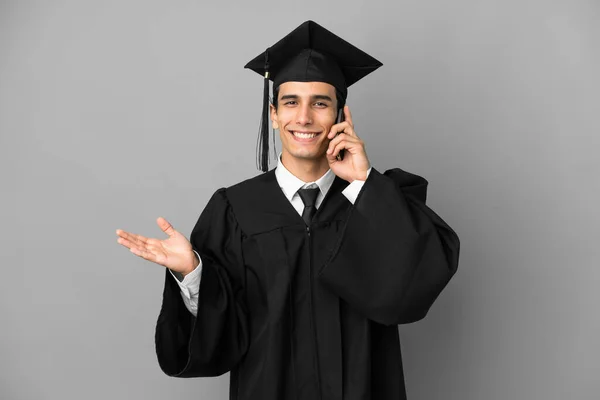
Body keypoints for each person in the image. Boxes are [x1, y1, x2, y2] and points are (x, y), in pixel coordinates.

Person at [116, 20, 460, 400]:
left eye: (320, 103)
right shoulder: (234, 209)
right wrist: (193, 273)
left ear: (341, 115)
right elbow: (225, 335)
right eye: (291, 102)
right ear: (274, 114)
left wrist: (364, 183)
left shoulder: (380, 197)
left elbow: (415, 284)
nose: (304, 117)